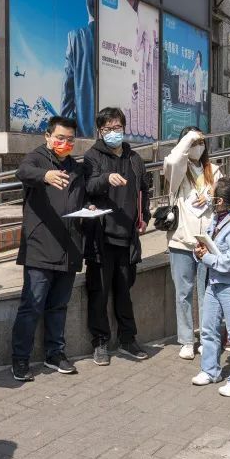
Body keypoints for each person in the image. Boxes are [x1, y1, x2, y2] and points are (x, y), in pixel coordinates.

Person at [11, 116, 87, 381]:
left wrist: (88, 207)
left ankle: (55, 353)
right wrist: (45, 175)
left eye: (70, 139)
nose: (65, 143)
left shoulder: (76, 168)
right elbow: (22, 172)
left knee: (59, 306)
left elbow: (80, 197)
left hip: (69, 246)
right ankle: (20, 359)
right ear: (47, 136)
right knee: (31, 306)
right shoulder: (36, 158)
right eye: (60, 138)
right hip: (40, 246)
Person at [83, 106, 152, 365]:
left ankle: (127, 339)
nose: (113, 132)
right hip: (101, 236)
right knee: (98, 292)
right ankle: (100, 342)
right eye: (107, 129)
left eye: (117, 127)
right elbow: (88, 186)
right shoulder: (92, 156)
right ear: (100, 132)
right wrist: (105, 178)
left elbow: (144, 190)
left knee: (125, 291)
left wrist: (144, 217)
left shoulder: (134, 158)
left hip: (128, 236)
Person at [162, 126, 222, 360]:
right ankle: (186, 340)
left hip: (206, 242)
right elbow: (172, 160)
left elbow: (223, 200)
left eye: (200, 142)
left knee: (208, 293)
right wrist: (189, 138)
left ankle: (207, 338)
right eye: (193, 143)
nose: (198, 146)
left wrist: (212, 196)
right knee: (183, 293)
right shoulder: (178, 169)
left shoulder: (213, 170)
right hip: (181, 241)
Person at [191, 178, 230, 397]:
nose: (210, 200)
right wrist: (199, 251)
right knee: (208, 328)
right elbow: (210, 246)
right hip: (214, 282)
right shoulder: (216, 219)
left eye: (213, 196)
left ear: (220, 200)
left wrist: (207, 258)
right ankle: (210, 370)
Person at [62, 0, 96, 137]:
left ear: (88, 2)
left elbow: (67, 91)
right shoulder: (118, 42)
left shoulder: (76, 38)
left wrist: (64, 130)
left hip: (85, 132)